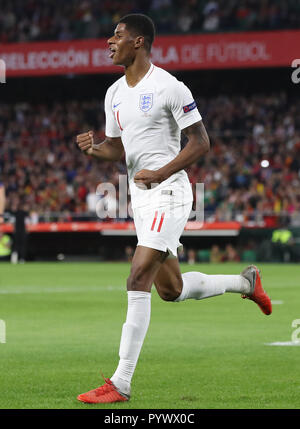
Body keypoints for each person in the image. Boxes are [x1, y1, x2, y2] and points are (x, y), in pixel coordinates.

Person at [75, 14, 272, 404]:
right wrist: (97, 148)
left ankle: (120, 383)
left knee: (137, 277)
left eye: (117, 35)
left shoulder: (169, 87)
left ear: (139, 42)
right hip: (142, 197)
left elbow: (201, 142)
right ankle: (245, 284)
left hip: (170, 192)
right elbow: (119, 148)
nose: (108, 42)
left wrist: (161, 172)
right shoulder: (113, 93)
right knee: (171, 290)